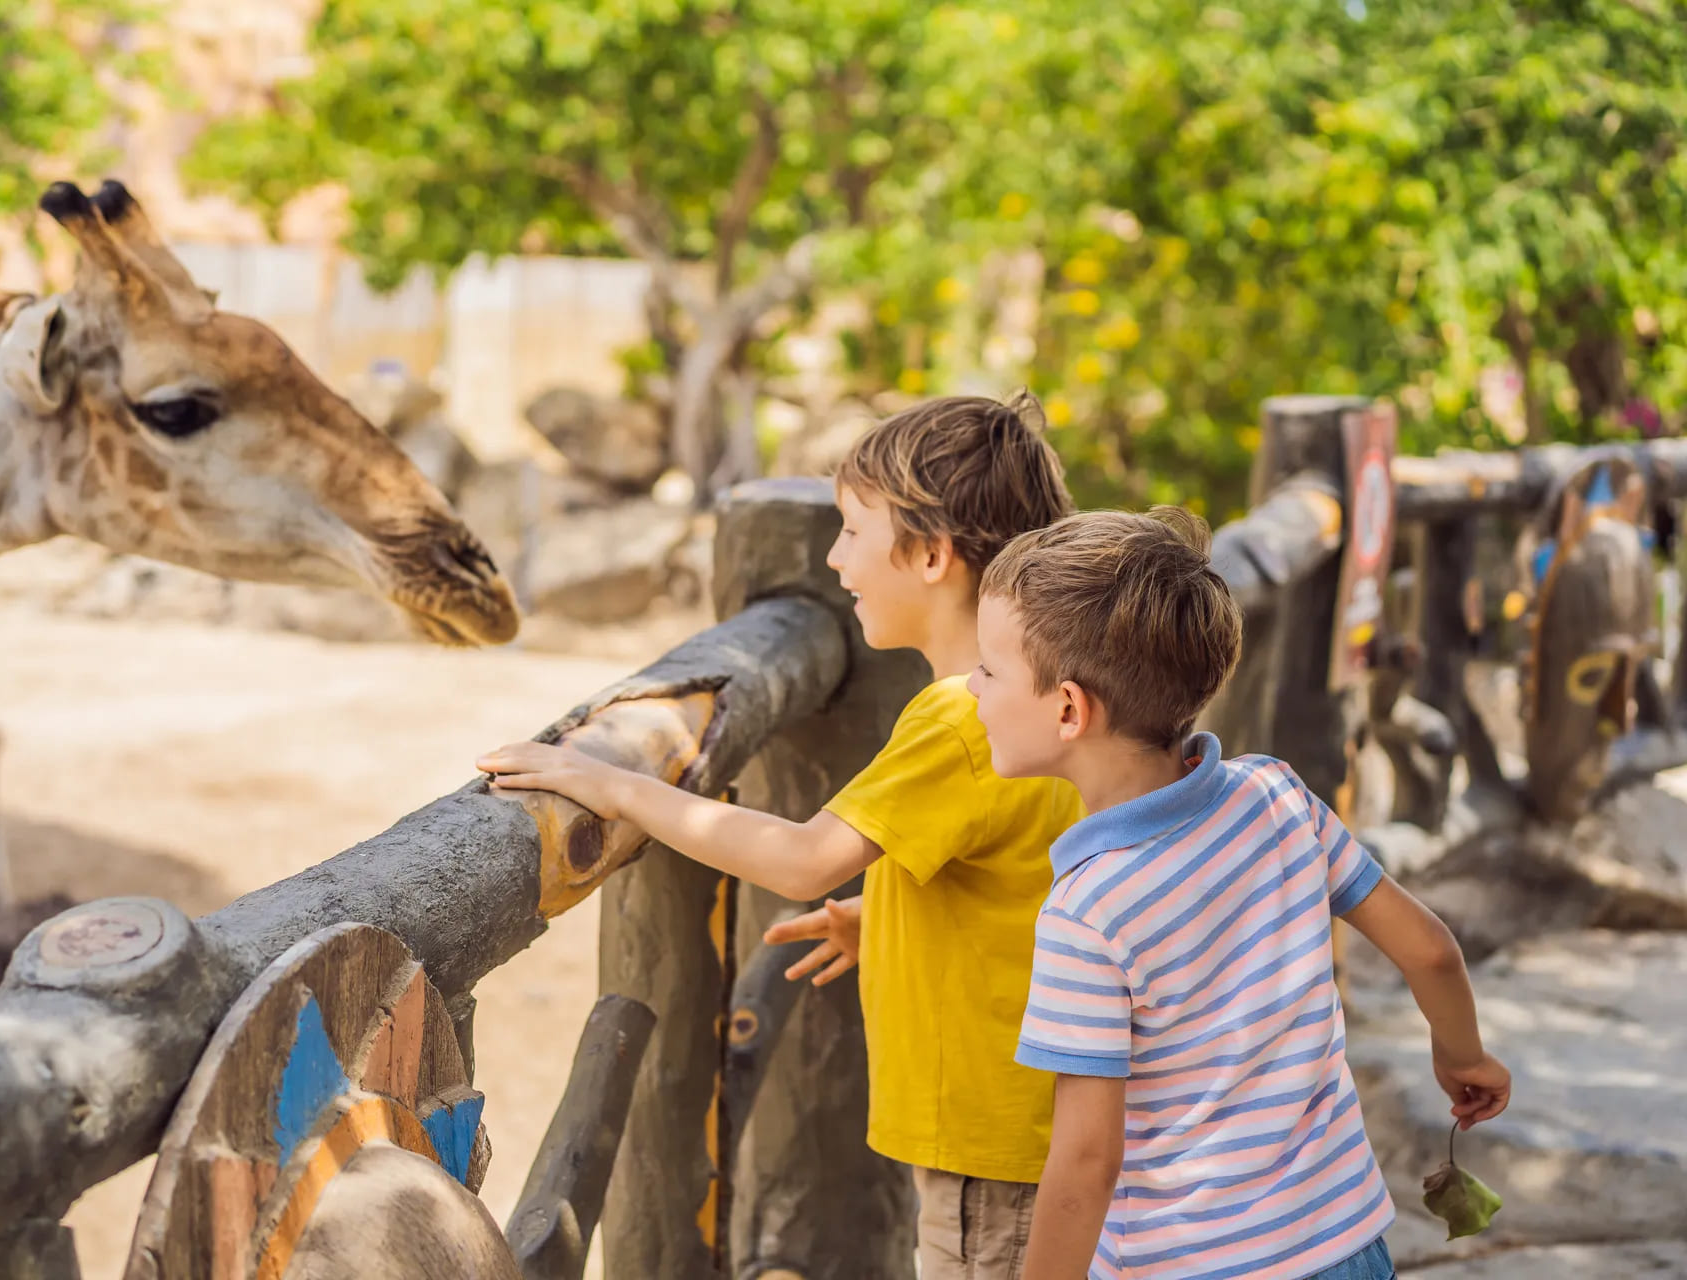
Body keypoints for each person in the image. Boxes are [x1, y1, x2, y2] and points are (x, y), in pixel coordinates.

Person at [479, 393, 1084, 1277]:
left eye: (848, 532)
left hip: (988, 1153)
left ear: (930, 556)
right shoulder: (1041, 694)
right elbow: (1027, 870)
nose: (835, 560)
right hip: (1033, 1123)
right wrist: (893, 920)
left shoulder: (960, 717)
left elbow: (803, 859)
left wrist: (615, 783)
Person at [968, 508, 1512, 1280]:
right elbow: (1430, 950)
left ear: (1067, 709)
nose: (971, 685)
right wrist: (1464, 1055)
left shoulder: (1087, 913)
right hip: (1346, 1244)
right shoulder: (1277, 795)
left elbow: (1086, 1160)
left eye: (988, 669)